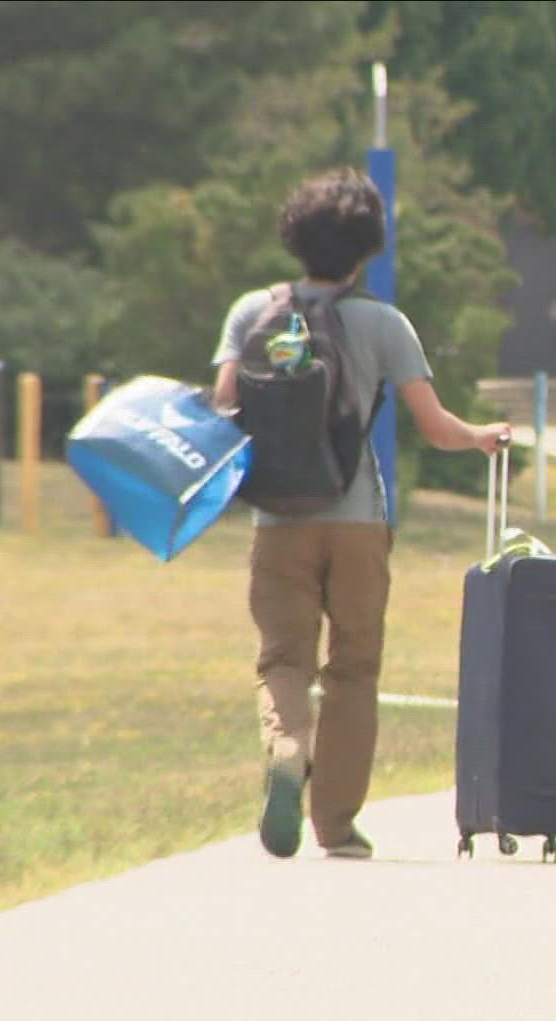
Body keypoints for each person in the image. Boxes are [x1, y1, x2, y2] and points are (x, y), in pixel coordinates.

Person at [210, 168, 510, 859]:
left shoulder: (252, 313)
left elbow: (222, 408)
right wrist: (482, 438)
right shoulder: (382, 323)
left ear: (295, 237)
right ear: (367, 247)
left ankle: (287, 747)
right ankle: (336, 826)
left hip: (277, 521)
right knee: (353, 670)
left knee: (283, 658)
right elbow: (434, 427)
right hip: (357, 520)